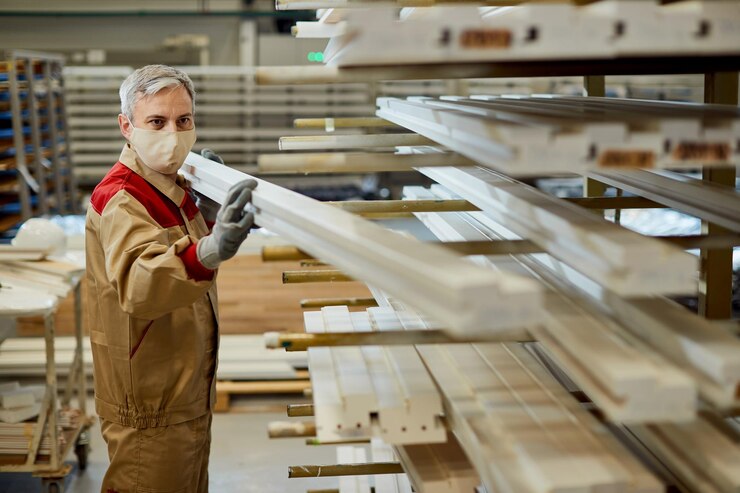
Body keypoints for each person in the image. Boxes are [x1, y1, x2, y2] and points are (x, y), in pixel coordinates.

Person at [85, 64, 255, 493]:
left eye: (184, 121)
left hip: (182, 389)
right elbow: (141, 283)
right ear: (127, 126)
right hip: (150, 401)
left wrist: (208, 214)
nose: (173, 134)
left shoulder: (171, 187)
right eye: (156, 122)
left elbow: (182, 257)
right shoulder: (124, 197)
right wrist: (212, 248)